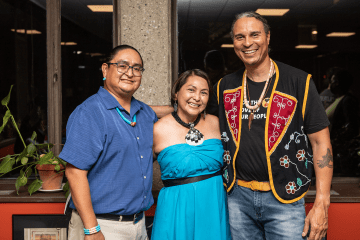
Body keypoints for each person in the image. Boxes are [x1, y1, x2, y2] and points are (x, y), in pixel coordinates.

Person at [207, 12, 333, 240]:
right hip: (238, 200)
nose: (247, 43)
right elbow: (196, 115)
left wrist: (322, 202)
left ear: (267, 37)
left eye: (254, 34)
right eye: (239, 37)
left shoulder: (299, 82)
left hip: (285, 199)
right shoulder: (224, 87)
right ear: (233, 42)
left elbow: (320, 141)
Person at [59, 45, 158, 240]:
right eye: (122, 66)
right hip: (101, 226)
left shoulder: (145, 113)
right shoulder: (89, 113)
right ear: (105, 70)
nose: (130, 73)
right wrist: (91, 229)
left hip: (139, 225)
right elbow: (74, 172)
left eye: (137, 68)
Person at [151, 69, 231, 240]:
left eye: (204, 93)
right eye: (191, 90)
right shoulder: (158, 129)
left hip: (213, 206)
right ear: (176, 93)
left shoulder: (216, 123)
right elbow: (136, 170)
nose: (197, 97)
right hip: (176, 209)